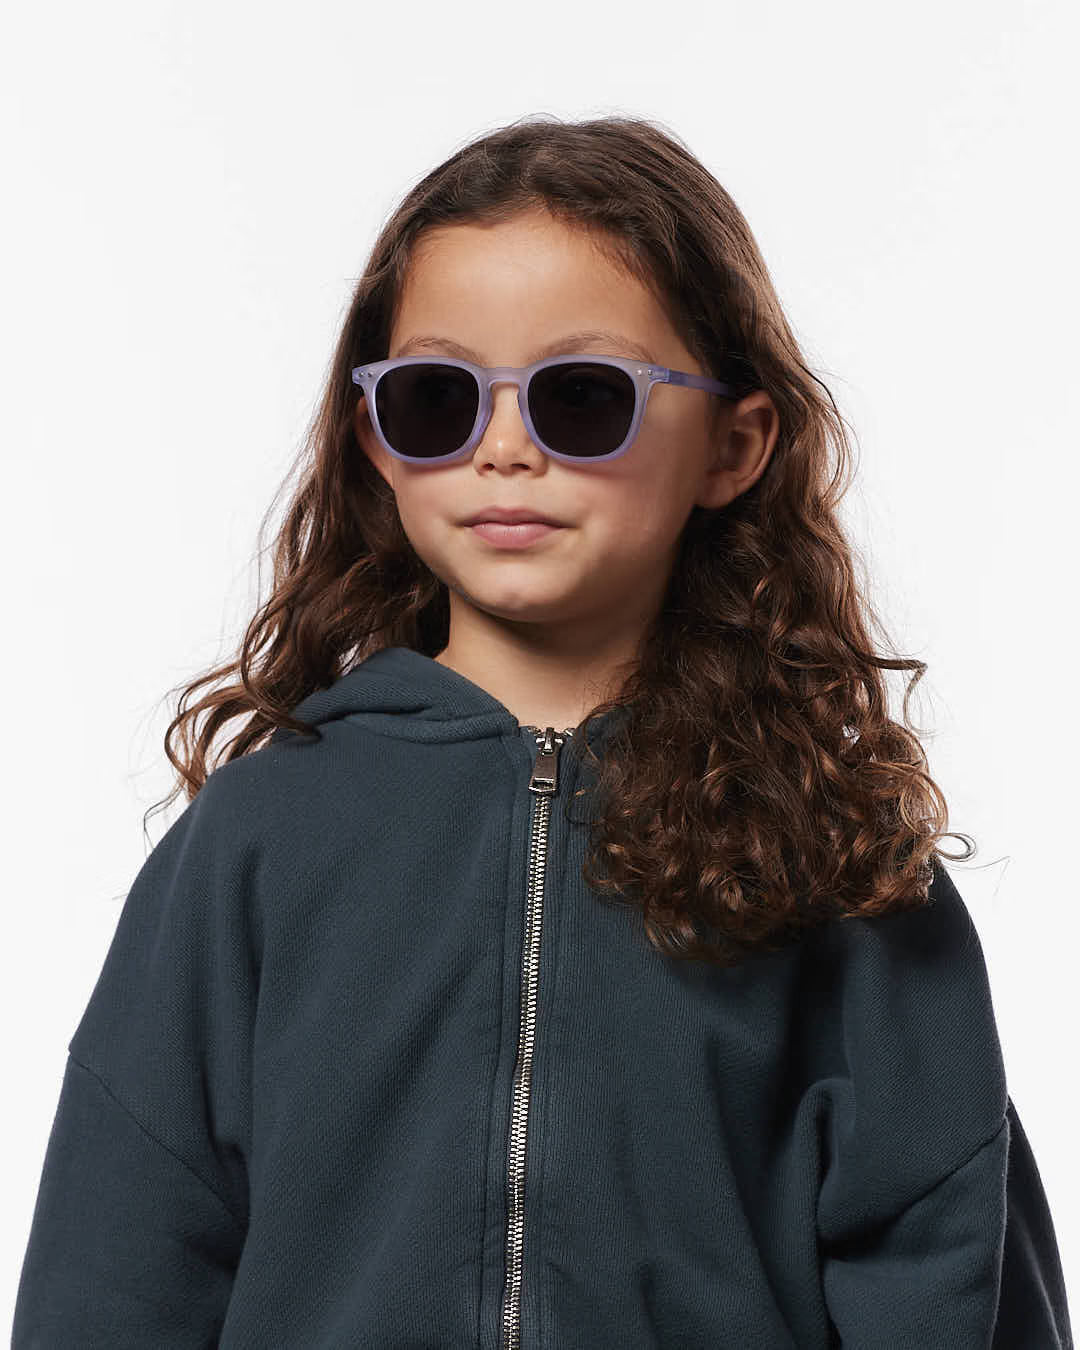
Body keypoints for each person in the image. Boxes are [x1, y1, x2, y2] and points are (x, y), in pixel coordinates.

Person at [12, 114, 1073, 1349]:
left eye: (582, 398)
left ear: (733, 444)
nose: (505, 450)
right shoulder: (260, 839)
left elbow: (943, 1269)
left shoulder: (830, 861)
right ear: (376, 443)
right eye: (436, 400)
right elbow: (119, 1264)